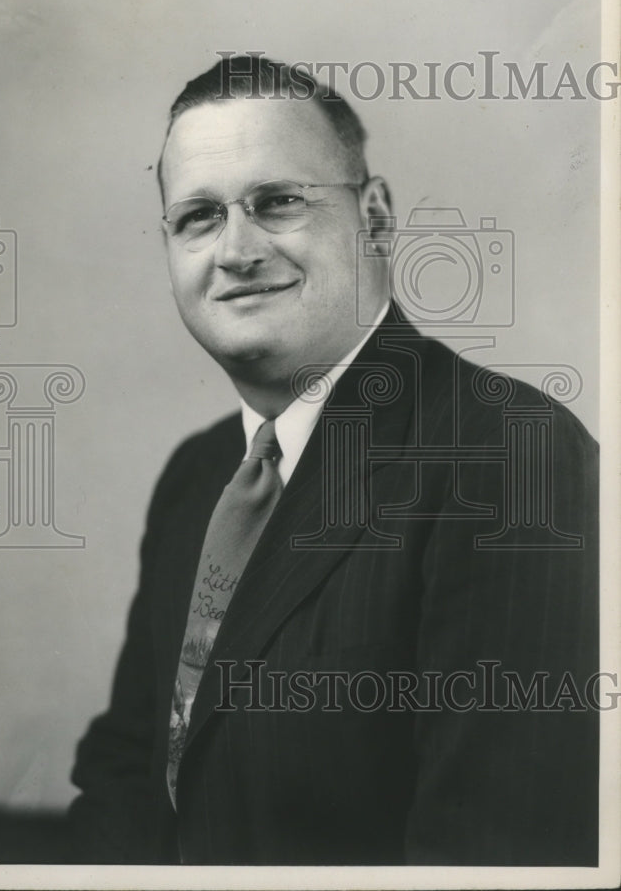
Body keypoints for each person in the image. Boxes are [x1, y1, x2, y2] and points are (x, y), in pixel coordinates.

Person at [69, 55, 599, 866]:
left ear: (376, 218)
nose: (236, 250)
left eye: (278, 203)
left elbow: (494, 856)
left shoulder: (509, 457)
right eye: (199, 218)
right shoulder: (197, 476)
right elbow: (131, 773)